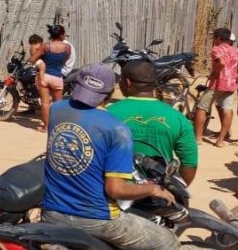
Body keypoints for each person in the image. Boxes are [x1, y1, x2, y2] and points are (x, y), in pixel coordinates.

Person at [42, 63, 178, 250]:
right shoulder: (117, 129)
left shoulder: (57, 109)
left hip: (51, 212)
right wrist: (153, 189)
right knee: (168, 241)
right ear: (111, 91)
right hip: (96, 218)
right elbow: (115, 189)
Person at [107, 61, 198, 185]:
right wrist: (173, 189)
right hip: (159, 191)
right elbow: (190, 163)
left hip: (117, 190)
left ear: (127, 82)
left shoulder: (108, 113)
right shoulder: (178, 118)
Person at [195, 28, 238, 147]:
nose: (213, 40)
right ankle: (220, 140)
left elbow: (221, 63)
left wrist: (214, 73)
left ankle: (198, 138)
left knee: (201, 108)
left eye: (214, 38)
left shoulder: (216, 49)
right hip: (231, 85)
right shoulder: (235, 50)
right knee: (227, 109)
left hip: (217, 84)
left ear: (218, 38)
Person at [35, 25, 69, 132]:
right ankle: (58, 127)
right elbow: (64, 61)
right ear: (61, 35)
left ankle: (45, 127)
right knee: (58, 103)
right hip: (57, 77)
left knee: (45, 102)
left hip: (44, 76)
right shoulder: (67, 48)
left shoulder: (46, 46)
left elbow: (32, 59)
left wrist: (41, 61)